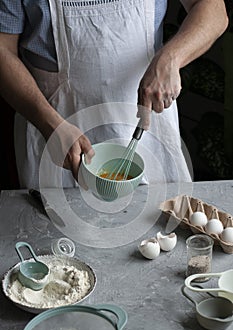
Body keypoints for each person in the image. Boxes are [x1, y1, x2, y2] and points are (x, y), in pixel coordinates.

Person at [0, 0, 228, 189]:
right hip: (55, 127)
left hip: (149, 128)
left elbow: (213, 10)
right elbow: (3, 50)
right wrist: (50, 125)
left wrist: (171, 58)